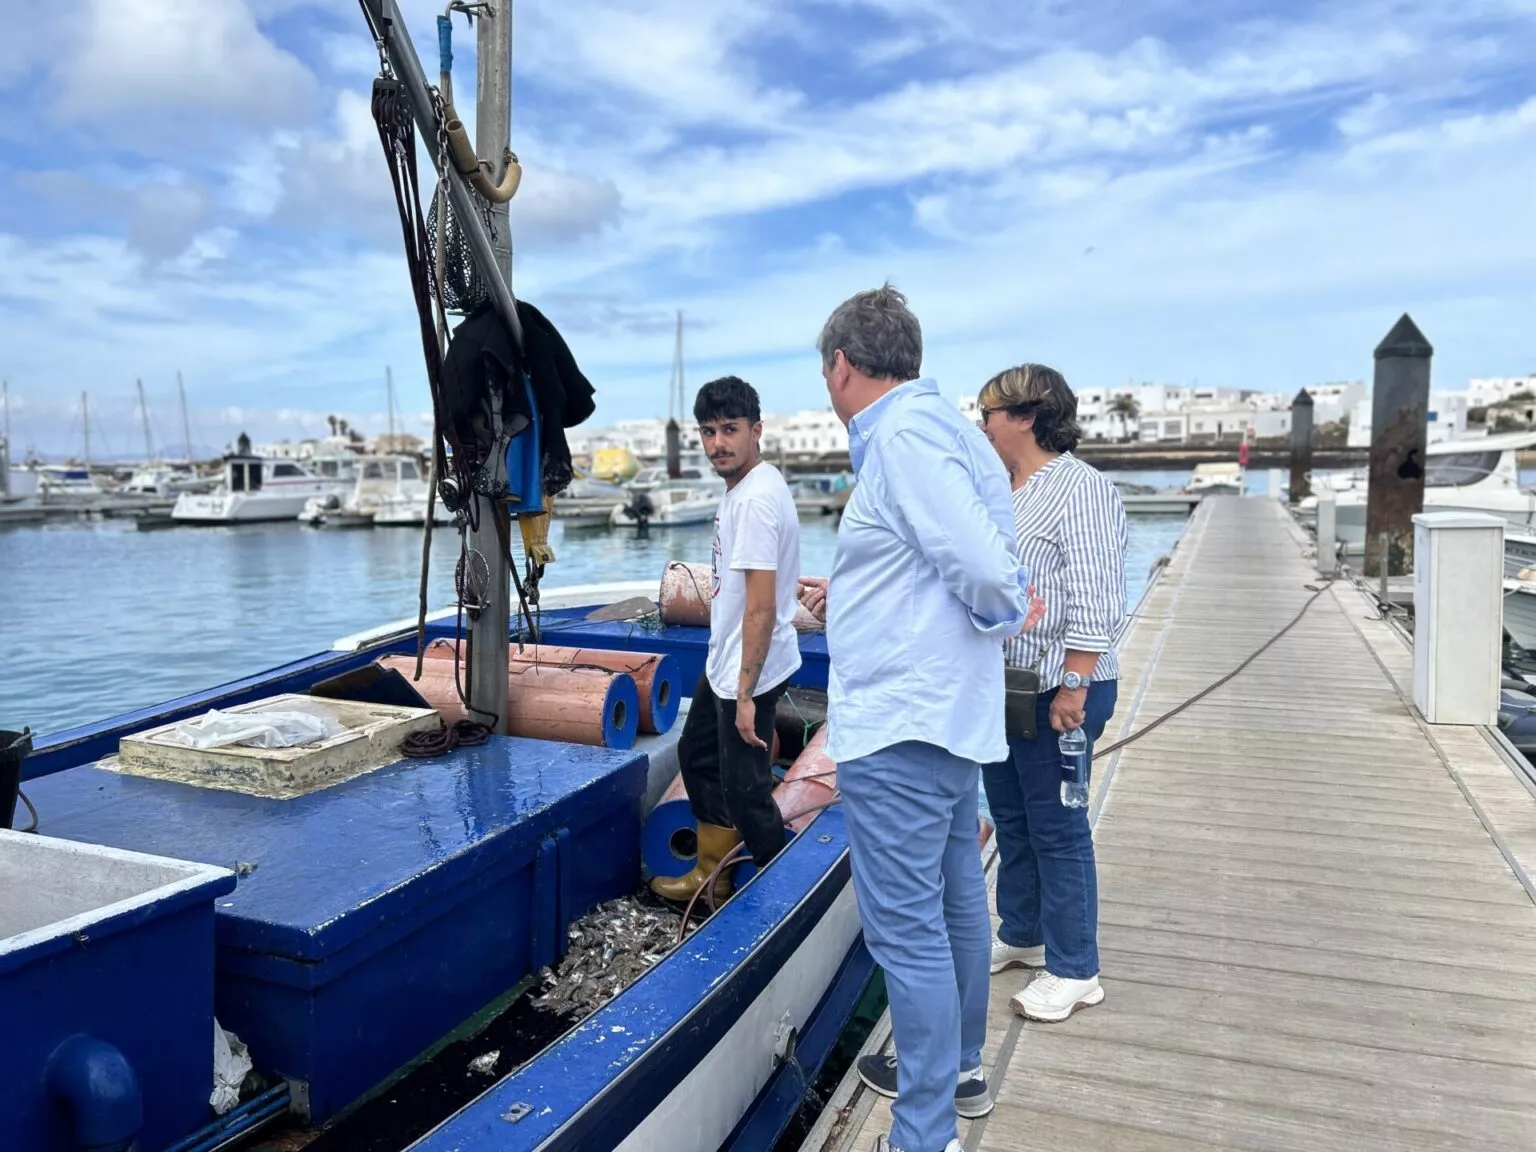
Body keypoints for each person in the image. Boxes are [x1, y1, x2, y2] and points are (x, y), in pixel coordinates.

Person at [798, 286, 1034, 1152]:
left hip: (900, 723)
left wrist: (1004, 609)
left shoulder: (897, 437)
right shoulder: (949, 433)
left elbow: (981, 567)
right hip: (944, 719)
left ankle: (921, 1132)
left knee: (906, 935)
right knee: (956, 903)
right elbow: (950, 557)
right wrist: (853, 595)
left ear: (842, 364)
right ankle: (961, 1069)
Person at [976, 363, 1127, 1022]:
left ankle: (1076, 967)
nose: (980, 424)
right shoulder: (1007, 489)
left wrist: (1075, 682)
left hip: (1061, 685)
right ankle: (1023, 932)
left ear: (1028, 415)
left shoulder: (1079, 489)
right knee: (1012, 819)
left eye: (989, 412)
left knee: (1059, 827)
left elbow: (1098, 594)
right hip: (1007, 683)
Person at [650, 376, 802, 907]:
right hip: (728, 658)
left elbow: (760, 605)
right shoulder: (746, 489)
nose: (718, 443)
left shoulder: (756, 501)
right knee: (698, 754)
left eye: (730, 430)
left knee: (746, 786)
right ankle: (710, 872)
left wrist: (744, 693)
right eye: (709, 432)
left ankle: (779, 886)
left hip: (748, 667)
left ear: (756, 430)